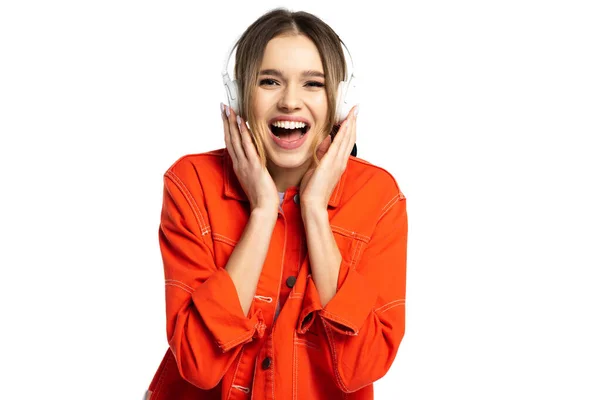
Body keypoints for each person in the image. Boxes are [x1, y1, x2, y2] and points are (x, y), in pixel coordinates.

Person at [144, 7, 408, 400]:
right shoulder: (192, 183)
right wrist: (263, 212)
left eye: (312, 84)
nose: (290, 102)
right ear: (239, 94)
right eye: (270, 81)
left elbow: (362, 367)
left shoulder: (378, 197)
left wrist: (315, 210)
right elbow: (198, 363)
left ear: (337, 101)